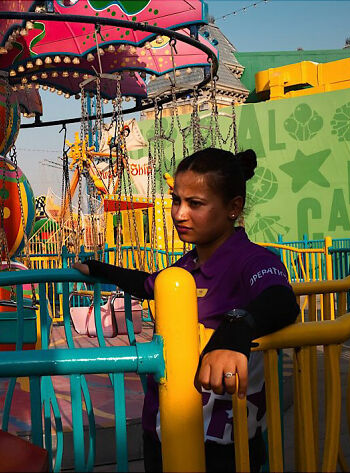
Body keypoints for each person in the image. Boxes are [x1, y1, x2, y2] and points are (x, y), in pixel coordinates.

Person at [73, 147, 299, 472]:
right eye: (176, 201)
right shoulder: (187, 265)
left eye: (195, 204)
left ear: (233, 207)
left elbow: (280, 300)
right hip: (165, 429)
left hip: (224, 440)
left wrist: (235, 328)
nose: (179, 213)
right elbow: (149, 284)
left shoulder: (251, 260)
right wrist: (100, 270)